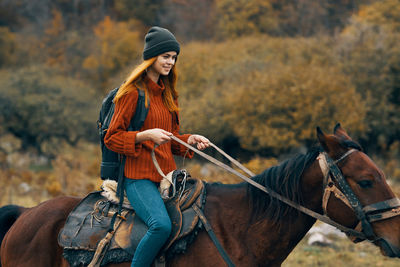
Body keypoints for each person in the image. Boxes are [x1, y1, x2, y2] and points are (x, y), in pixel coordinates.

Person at [104, 26, 209, 267]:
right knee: (161, 226)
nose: (170, 62)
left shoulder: (168, 94)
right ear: (152, 57)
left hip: (167, 176)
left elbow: (170, 139)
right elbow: (112, 138)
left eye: (174, 57)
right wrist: (143, 136)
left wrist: (189, 139)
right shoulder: (131, 93)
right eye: (165, 56)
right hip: (138, 178)